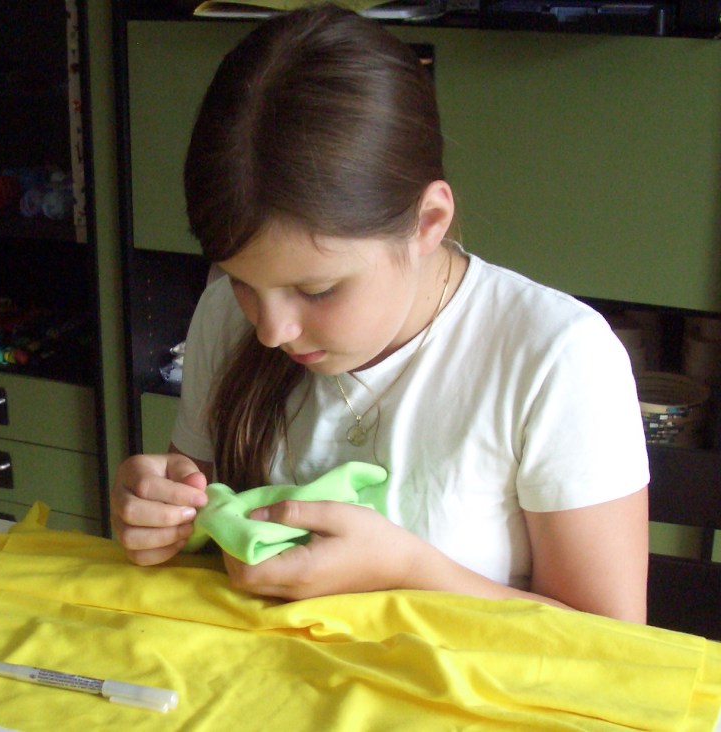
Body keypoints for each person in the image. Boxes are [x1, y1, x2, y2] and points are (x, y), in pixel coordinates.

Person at [110, 4, 649, 623]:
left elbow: (612, 647)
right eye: (241, 282)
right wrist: (156, 513)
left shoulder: (556, 358)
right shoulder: (223, 318)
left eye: (317, 291)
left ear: (427, 223)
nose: (270, 329)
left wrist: (411, 574)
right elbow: (194, 536)